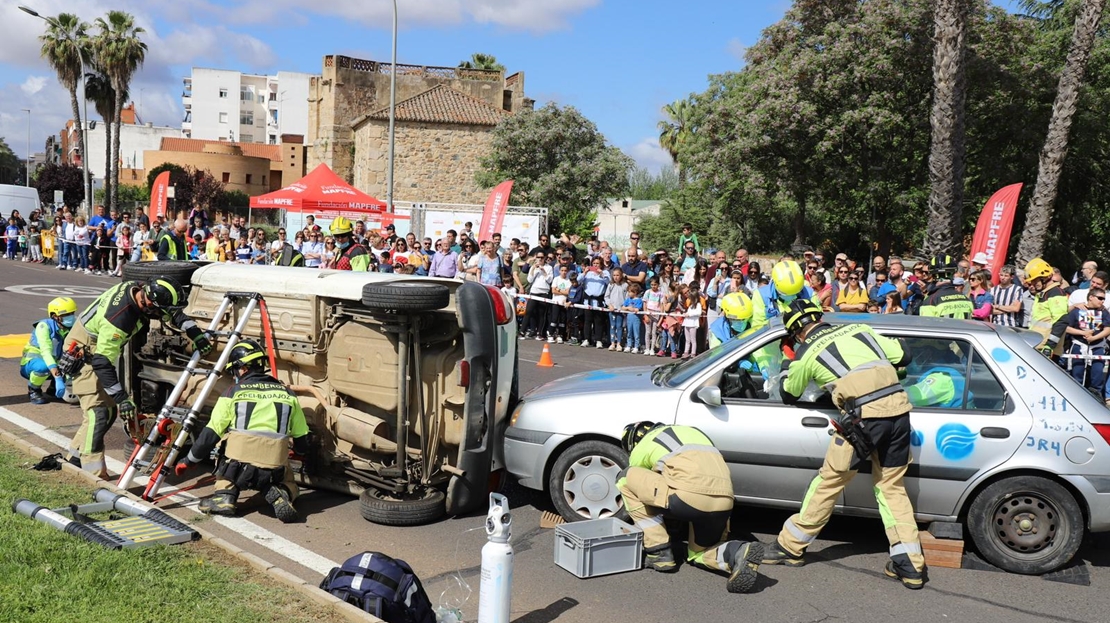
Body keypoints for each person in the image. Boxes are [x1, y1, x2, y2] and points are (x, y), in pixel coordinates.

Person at [762, 300, 927, 590]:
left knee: (829, 481)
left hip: (862, 421)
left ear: (796, 334)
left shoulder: (806, 352)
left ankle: (790, 546)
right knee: (891, 487)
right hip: (900, 415)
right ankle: (910, 564)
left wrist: (789, 360)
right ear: (819, 317)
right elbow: (904, 355)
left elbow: (789, 393)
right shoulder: (860, 329)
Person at [64, 279, 212, 478]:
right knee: (98, 414)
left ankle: (74, 459)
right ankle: (94, 474)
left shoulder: (141, 289)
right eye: (160, 310)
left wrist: (196, 335)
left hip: (98, 347)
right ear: (149, 303)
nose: (163, 314)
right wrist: (122, 399)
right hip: (85, 351)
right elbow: (101, 362)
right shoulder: (119, 320)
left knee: (108, 413)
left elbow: (174, 313)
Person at [618, 422, 764, 593]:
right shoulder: (695, 434)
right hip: (725, 502)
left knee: (625, 477)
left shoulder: (645, 443)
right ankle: (737, 552)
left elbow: (644, 484)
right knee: (699, 554)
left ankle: (658, 552)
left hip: (686, 499)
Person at [175, 340, 309, 522]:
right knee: (290, 482)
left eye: (234, 371)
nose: (234, 376)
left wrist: (189, 460)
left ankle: (225, 495)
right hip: (274, 470)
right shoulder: (288, 395)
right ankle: (283, 491)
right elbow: (302, 440)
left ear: (243, 368)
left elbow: (211, 434)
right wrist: (298, 451)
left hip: (235, 469)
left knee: (225, 438)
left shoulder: (232, 393)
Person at [21, 297, 77, 404]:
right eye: (66, 314)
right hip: (33, 364)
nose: (70, 316)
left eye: (72, 313)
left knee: (78, 362)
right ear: (55, 316)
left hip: (55, 363)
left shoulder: (73, 326)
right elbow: (46, 352)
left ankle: (53, 388)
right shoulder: (44, 326)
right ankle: (34, 389)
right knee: (43, 367)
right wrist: (58, 378)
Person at [1063, 287, 1110, 397]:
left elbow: (1108, 329)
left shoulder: (1104, 312)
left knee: (1097, 373)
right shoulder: (1077, 310)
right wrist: (1082, 332)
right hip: (1079, 345)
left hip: (1097, 346)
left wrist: (1094, 338)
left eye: (1104, 299)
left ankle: (1096, 395)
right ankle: (1075, 396)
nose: (1102, 301)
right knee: (1077, 372)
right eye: (1100, 298)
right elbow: (1066, 327)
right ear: (1091, 297)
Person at [750, 261, 820, 331]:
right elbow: (757, 327)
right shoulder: (761, 295)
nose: (791, 297)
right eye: (785, 294)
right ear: (775, 284)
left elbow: (818, 319)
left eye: (795, 294)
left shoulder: (809, 293)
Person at [1025, 257, 1070, 357]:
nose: (1033, 284)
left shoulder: (1055, 293)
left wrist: (1050, 346)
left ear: (1045, 277)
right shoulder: (1044, 294)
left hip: (1047, 349)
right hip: (1038, 345)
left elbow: (1061, 320)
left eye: (1035, 280)